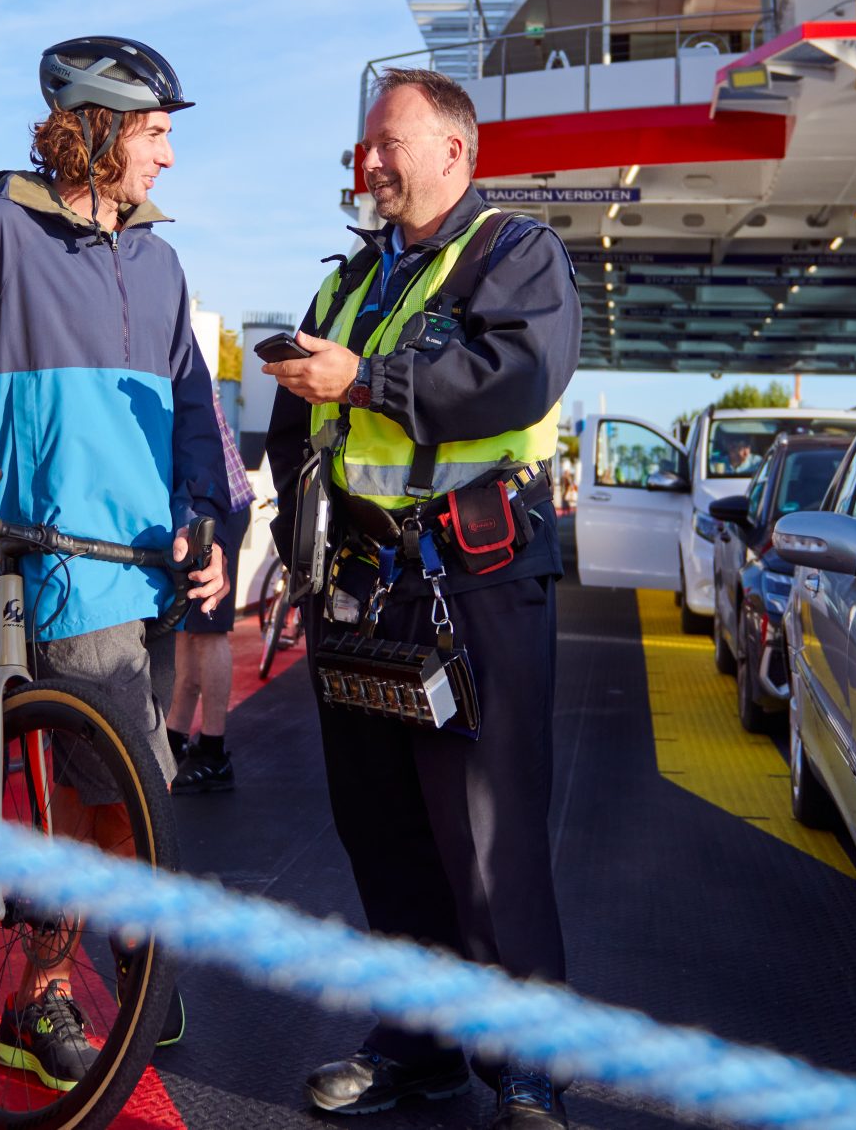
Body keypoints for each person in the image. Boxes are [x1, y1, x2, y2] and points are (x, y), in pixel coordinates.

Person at [0, 35, 229, 1087]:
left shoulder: (162, 262)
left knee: (102, 806)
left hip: (145, 573)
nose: (168, 157)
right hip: (51, 567)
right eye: (155, 133)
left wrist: (206, 525)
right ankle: (52, 993)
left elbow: (192, 415)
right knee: (131, 801)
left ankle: (96, 980)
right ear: (93, 131)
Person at [264, 66, 579, 1130]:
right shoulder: (351, 280)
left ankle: (526, 1062)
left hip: (474, 588)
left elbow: (517, 375)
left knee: (487, 837)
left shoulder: (513, 255)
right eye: (365, 145)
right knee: (383, 831)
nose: (370, 161)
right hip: (357, 592)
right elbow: (296, 423)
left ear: (455, 150)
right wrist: (291, 546)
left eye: (388, 143)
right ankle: (419, 1044)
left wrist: (363, 381)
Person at [165, 396, 257, 794]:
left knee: (207, 626)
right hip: (204, 503)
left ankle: (215, 751)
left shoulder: (170, 363)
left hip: (216, 506)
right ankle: (175, 737)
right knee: (188, 629)